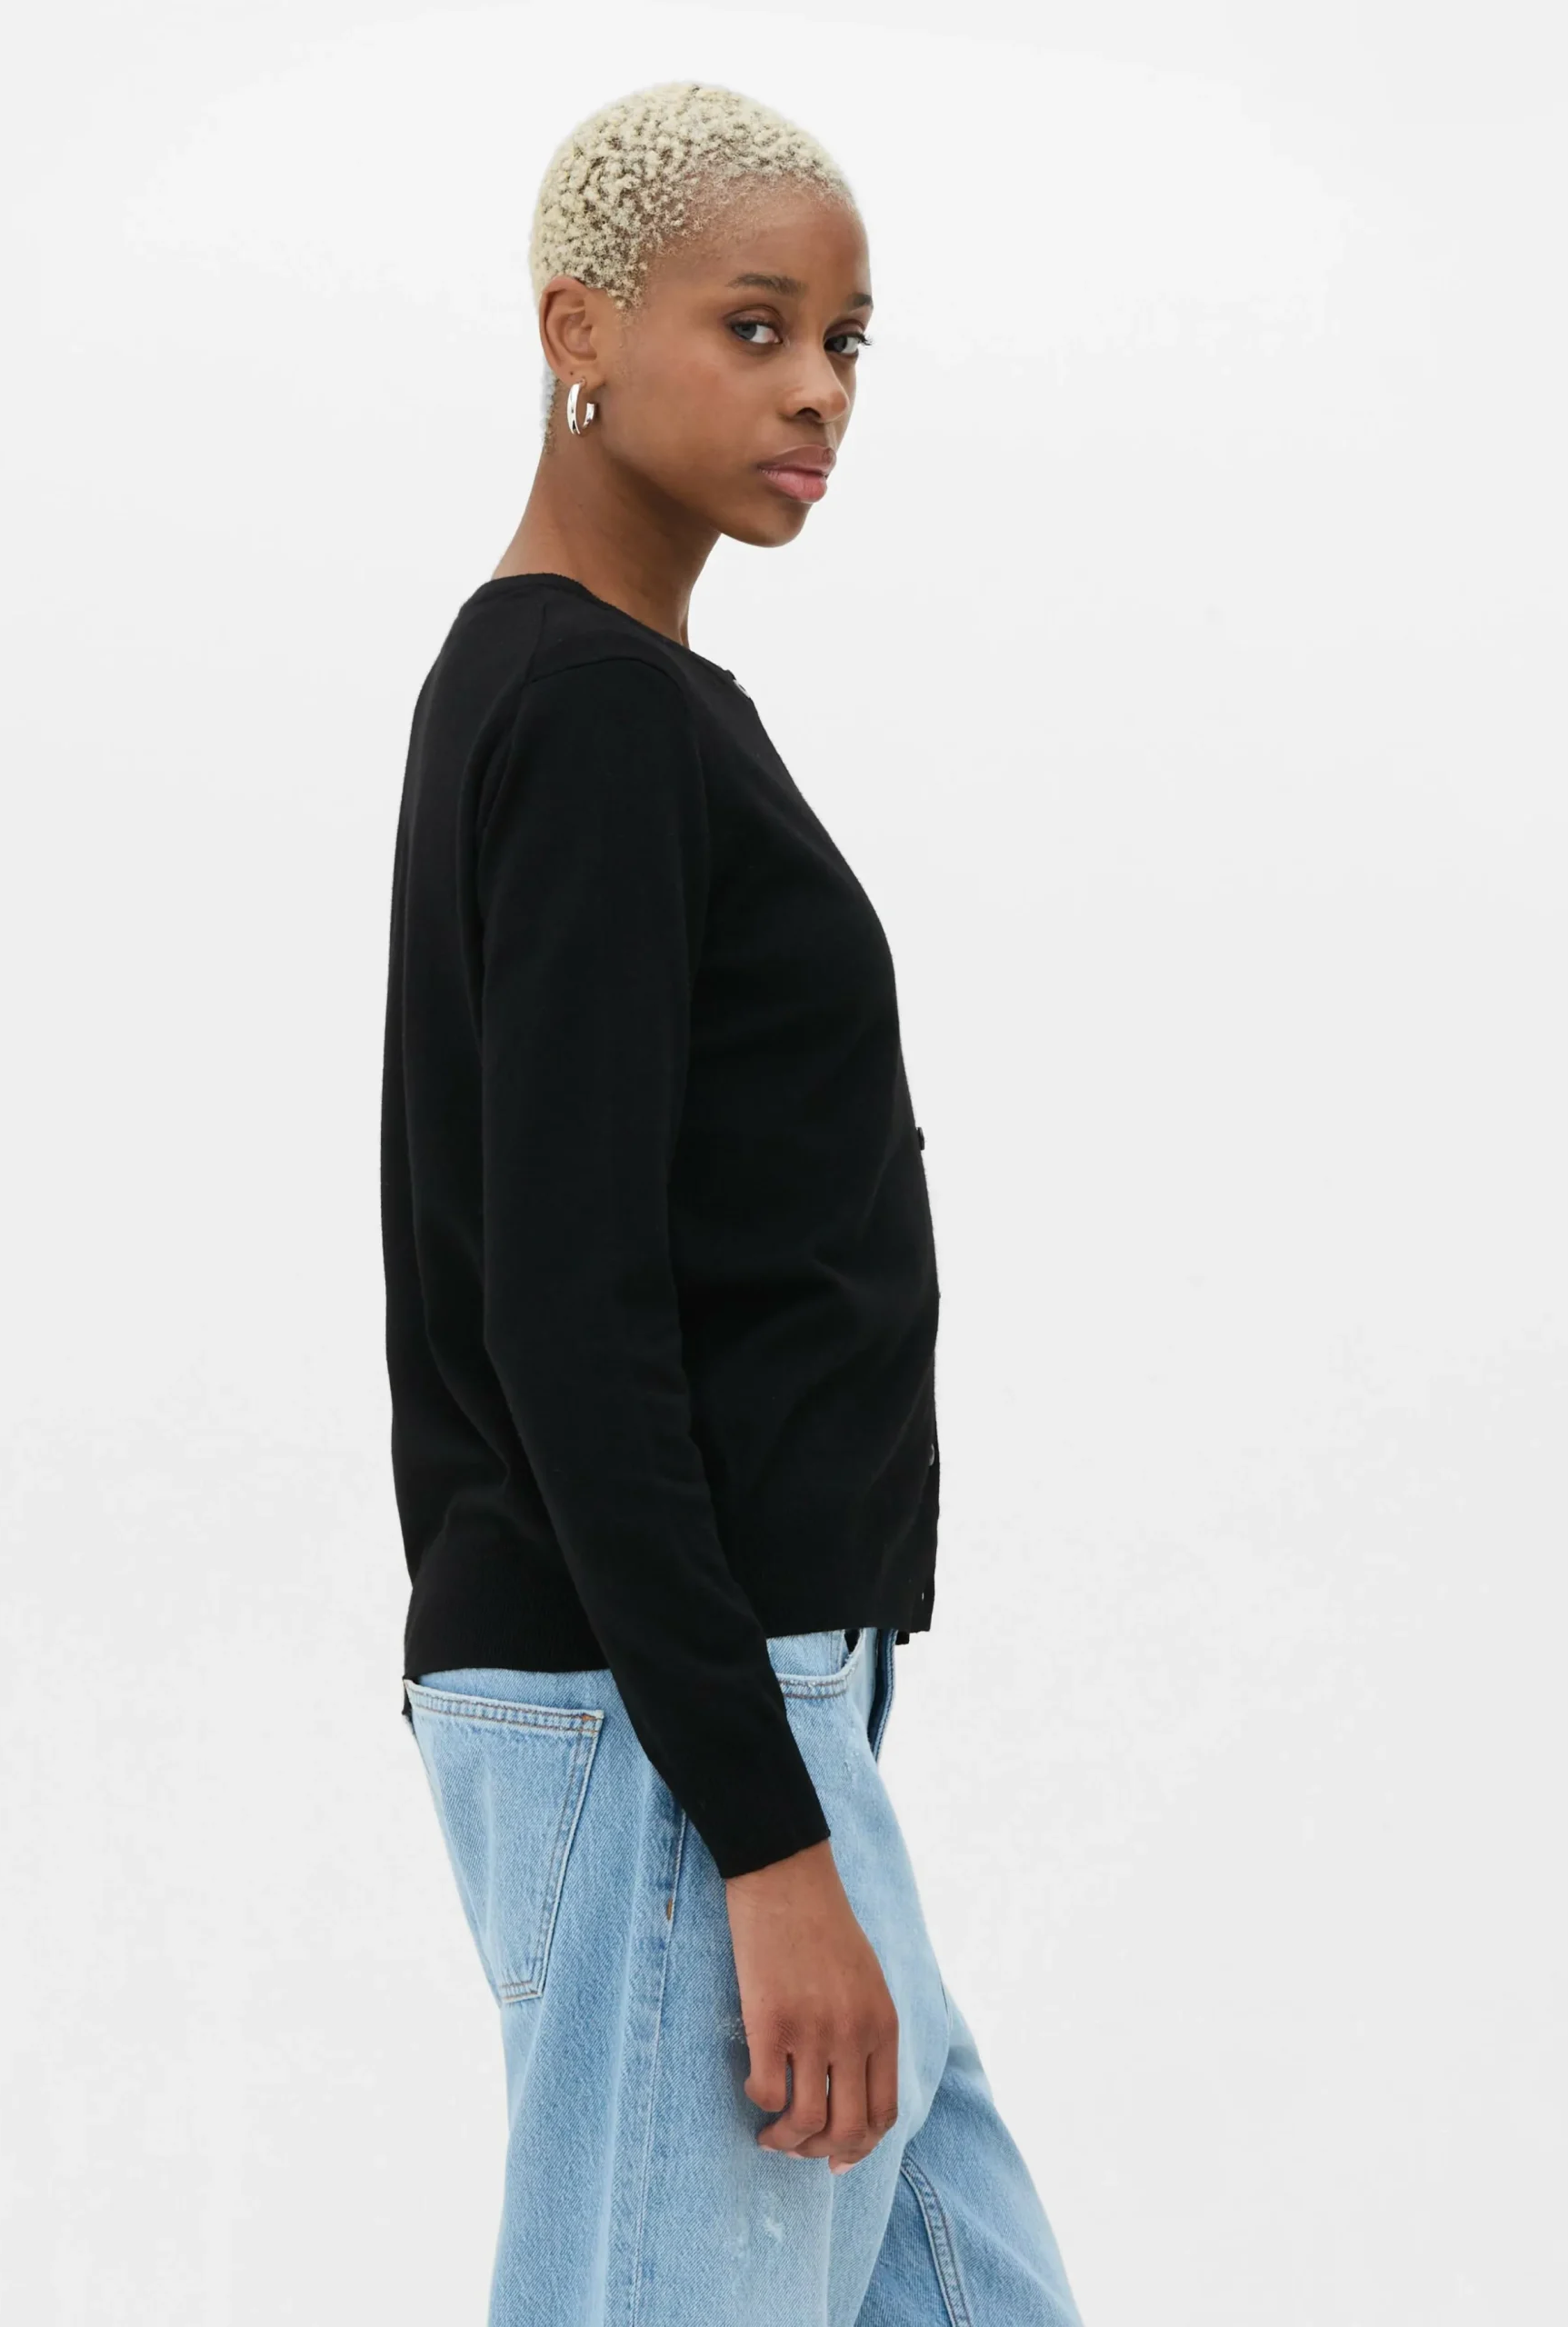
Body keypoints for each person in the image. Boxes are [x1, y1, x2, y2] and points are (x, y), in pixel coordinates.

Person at [380, 77, 1086, 2324]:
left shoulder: (608, 698)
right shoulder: (592, 712)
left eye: (847, 341)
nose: (816, 391)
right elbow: (563, 1314)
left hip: (722, 1708)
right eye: (756, 325)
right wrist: (764, 1830)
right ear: (579, 326)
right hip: (676, 1718)